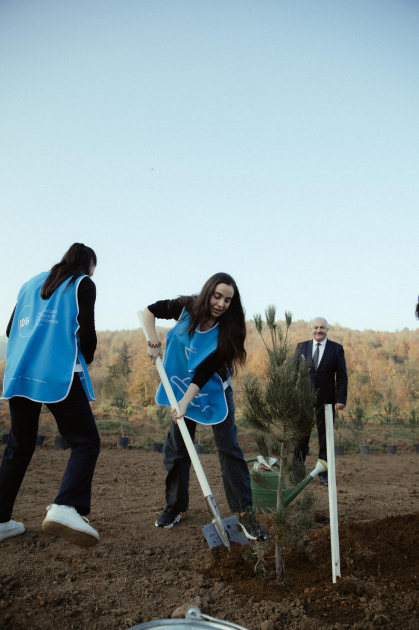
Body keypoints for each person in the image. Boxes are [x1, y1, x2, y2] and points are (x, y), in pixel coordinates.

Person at [142, 272, 266, 541]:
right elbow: (148, 311)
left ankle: (244, 513)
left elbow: (206, 369)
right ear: (208, 292)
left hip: (212, 391)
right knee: (178, 446)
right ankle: (175, 506)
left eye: (228, 300)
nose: (221, 304)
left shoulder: (230, 328)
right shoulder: (185, 307)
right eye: (217, 296)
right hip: (179, 385)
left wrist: (186, 401)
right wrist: (153, 342)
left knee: (228, 447)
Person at [0, 243, 100, 547]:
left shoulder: (29, 284)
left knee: (19, 445)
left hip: (20, 372)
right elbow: (87, 334)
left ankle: (1, 521)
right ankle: (65, 506)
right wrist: (85, 357)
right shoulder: (82, 283)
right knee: (86, 441)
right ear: (88, 265)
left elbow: (10, 330)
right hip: (56, 372)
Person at [292, 317, 348, 487]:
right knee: (301, 437)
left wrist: (341, 399)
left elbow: (342, 376)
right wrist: (290, 396)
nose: (319, 330)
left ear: (327, 329)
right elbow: (292, 373)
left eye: (322, 327)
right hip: (303, 400)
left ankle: (324, 474)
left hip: (327, 401)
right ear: (311, 329)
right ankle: (297, 472)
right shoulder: (301, 347)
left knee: (325, 438)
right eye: (316, 327)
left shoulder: (336, 349)